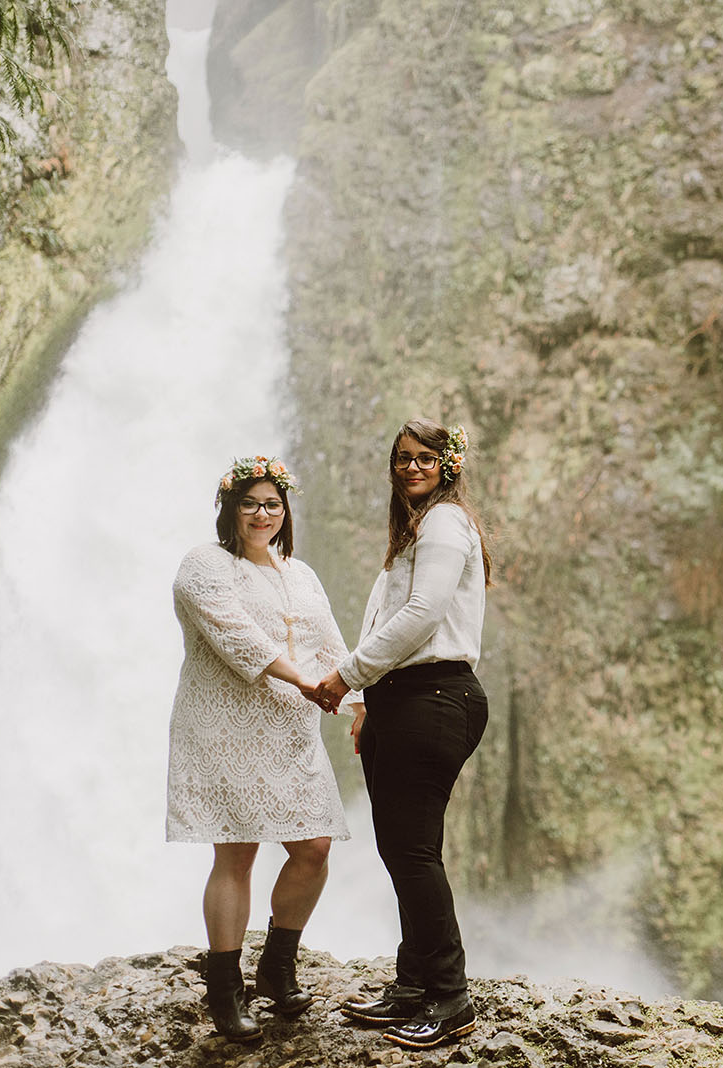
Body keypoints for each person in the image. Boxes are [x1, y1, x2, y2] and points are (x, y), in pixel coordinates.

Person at [312, 418, 492, 1051]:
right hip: (405, 698)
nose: (411, 467)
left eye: (424, 457)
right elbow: (389, 613)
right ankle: (413, 986)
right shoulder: (417, 529)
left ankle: (450, 997)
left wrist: (344, 677)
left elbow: (422, 615)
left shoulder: (445, 522)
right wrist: (365, 700)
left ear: (448, 465)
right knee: (401, 848)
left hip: (434, 695)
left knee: (412, 852)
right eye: (401, 458)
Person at [166, 456, 353, 1042]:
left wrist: (356, 698)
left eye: (272, 504)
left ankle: (275, 968)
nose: (262, 513)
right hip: (228, 728)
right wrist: (305, 682)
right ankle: (225, 990)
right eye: (250, 503)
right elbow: (234, 635)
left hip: (292, 732)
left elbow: (329, 639)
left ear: (285, 510)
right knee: (237, 854)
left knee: (315, 847)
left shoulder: (301, 572)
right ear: (230, 508)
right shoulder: (204, 565)